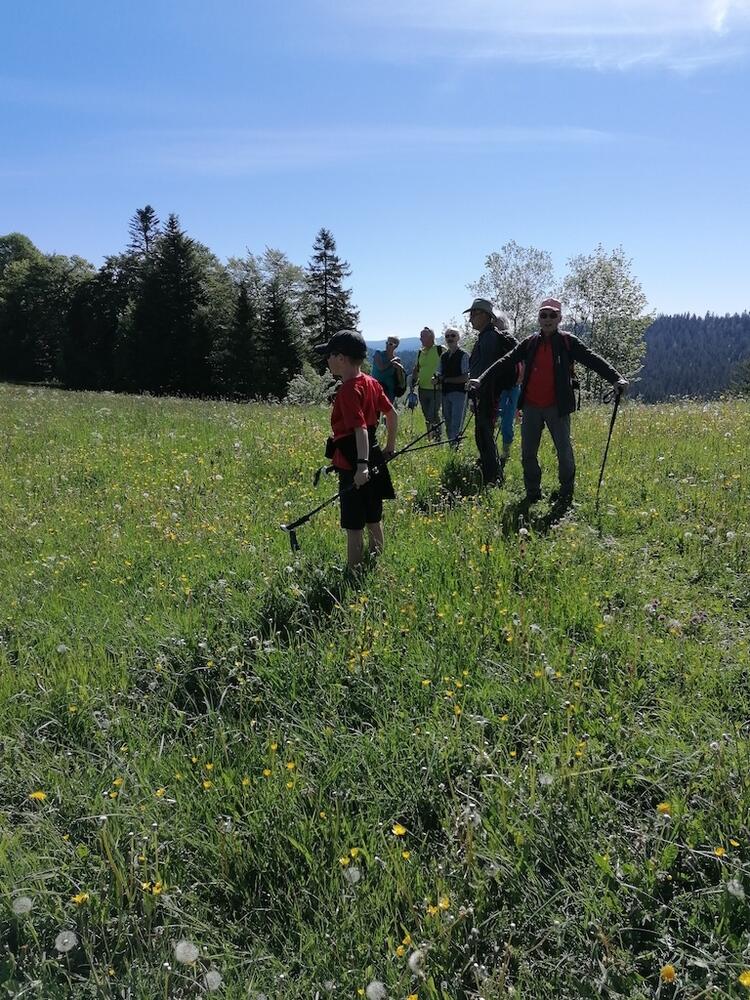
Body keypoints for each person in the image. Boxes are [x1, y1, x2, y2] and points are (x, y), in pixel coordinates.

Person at [468, 297, 628, 505]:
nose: (548, 319)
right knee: (528, 454)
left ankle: (566, 492)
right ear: (539, 319)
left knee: (564, 452)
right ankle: (533, 492)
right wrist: (481, 379)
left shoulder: (568, 342)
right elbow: (505, 361)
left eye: (553, 315)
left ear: (560, 318)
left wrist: (616, 378)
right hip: (531, 406)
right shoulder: (530, 342)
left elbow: (592, 358)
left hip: (557, 407)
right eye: (543, 315)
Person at [314, 330, 398, 569]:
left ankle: (353, 571)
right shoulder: (371, 382)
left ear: (341, 358)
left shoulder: (349, 389)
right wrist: (388, 448)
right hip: (374, 455)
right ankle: (376, 564)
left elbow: (359, 429)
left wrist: (360, 466)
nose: (327, 360)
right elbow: (392, 415)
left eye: (329, 355)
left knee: (353, 525)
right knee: (373, 516)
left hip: (353, 462)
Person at [464, 298, 518, 485]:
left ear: (485, 316)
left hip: (487, 394)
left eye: (473, 314)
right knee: (483, 434)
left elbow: (487, 368)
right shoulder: (486, 336)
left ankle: (492, 477)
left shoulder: (489, 338)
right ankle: (490, 471)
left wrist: (478, 393)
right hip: (486, 394)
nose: (470, 319)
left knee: (484, 435)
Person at [410, 327, 443, 441]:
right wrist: (413, 381)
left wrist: (442, 379)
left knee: (432, 413)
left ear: (431, 337)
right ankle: (430, 437)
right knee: (427, 415)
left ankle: (437, 437)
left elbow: (449, 363)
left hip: (436, 388)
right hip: (422, 388)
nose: (420, 339)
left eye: (422, 336)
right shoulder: (421, 352)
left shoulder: (440, 349)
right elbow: (417, 368)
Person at [437, 327, 469, 447]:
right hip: (445, 393)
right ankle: (452, 446)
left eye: (453, 335)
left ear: (458, 338)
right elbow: (439, 373)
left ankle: (456, 448)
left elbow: (466, 377)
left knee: (457, 423)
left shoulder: (464, 355)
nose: (450, 338)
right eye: (447, 336)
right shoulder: (444, 356)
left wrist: (446, 380)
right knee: (448, 422)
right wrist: (436, 379)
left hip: (459, 394)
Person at [372, 336, 405, 404]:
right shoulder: (378, 353)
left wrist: (400, 369)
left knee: (387, 412)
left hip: (389, 391)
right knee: (375, 412)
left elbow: (400, 379)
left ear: (396, 346)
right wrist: (392, 361)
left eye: (390, 344)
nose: (387, 345)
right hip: (375, 389)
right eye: (387, 342)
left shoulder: (397, 360)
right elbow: (381, 368)